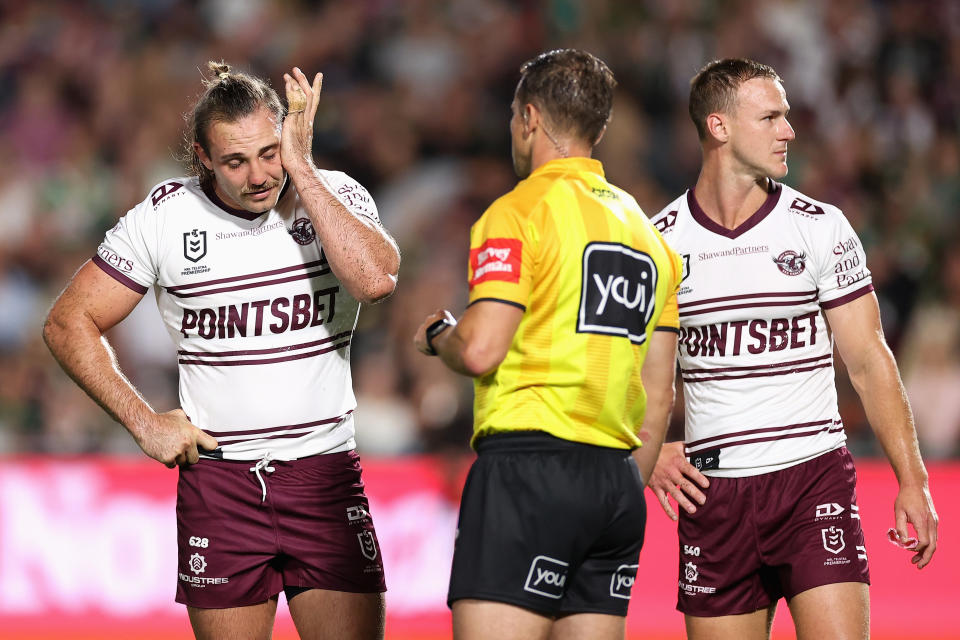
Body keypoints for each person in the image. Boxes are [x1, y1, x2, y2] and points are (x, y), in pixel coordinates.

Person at [43, 62, 400, 640]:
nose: (260, 175)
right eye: (236, 161)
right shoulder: (163, 219)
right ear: (202, 158)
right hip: (222, 485)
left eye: (269, 153)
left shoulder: (331, 194)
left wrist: (302, 168)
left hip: (324, 475)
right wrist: (143, 422)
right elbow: (67, 323)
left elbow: (375, 281)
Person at [646, 58, 939, 640]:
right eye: (771, 116)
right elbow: (641, 379)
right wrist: (645, 447)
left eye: (787, 116)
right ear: (719, 127)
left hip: (813, 481)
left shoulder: (820, 226)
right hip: (714, 498)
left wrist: (913, 479)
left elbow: (868, 360)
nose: (789, 130)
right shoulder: (660, 242)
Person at [413, 48, 683, 640]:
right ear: (599, 128)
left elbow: (482, 349)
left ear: (529, 117)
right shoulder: (651, 237)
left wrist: (439, 338)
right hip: (615, 487)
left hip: (528, 471)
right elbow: (658, 399)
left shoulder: (518, 212)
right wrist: (615, 487)